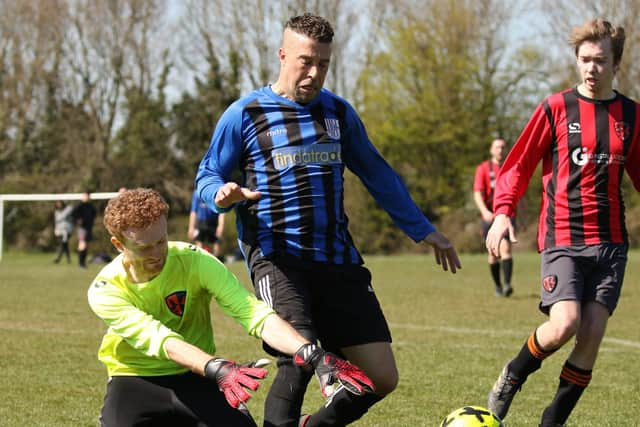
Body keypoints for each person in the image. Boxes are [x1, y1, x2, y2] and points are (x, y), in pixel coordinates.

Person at [195, 13, 461, 427]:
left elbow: (376, 172)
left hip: (337, 259)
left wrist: (423, 230)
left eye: (323, 64)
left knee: (380, 378)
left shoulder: (337, 112)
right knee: (298, 358)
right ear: (283, 55)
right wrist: (220, 194)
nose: (315, 72)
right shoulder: (245, 114)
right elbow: (207, 175)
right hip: (277, 258)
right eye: (305, 61)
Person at [88, 188, 373, 427]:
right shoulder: (106, 289)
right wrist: (217, 368)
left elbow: (251, 312)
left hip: (196, 377)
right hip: (134, 380)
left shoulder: (195, 260)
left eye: (161, 240)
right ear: (118, 244)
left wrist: (310, 352)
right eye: (145, 247)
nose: (158, 253)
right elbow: (160, 340)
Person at [485, 19, 640, 427]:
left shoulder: (632, 116)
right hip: (564, 239)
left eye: (600, 61)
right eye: (584, 60)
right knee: (564, 325)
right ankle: (513, 375)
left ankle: (552, 422)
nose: (591, 69)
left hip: (611, 244)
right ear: (576, 60)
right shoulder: (556, 108)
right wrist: (502, 213)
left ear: (616, 63)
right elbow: (517, 166)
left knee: (590, 337)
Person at [473, 138, 515, 297]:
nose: (501, 150)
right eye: (497, 147)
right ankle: (498, 286)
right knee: (493, 252)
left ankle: (507, 285)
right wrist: (484, 211)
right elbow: (477, 193)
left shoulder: (511, 167)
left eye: (503, 147)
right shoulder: (483, 168)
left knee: (506, 248)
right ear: (491, 150)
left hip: (506, 216)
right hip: (489, 217)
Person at [188, 188, 225, 259]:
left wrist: (221, 226)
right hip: (201, 222)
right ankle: (200, 263)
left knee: (216, 243)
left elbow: (221, 211)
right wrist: (191, 227)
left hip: (213, 222)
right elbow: (193, 211)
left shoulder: (216, 190)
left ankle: (216, 264)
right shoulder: (197, 193)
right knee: (199, 243)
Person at [73, 191, 97, 268]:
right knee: (82, 244)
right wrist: (78, 221)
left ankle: (83, 263)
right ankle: (81, 263)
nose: (86, 197)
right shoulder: (79, 206)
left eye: (87, 196)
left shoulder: (90, 206)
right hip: (82, 228)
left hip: (89, 227)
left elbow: (94, 214)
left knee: (86, 245)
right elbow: (73, 215)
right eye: (85, 196)